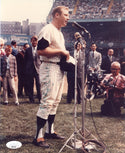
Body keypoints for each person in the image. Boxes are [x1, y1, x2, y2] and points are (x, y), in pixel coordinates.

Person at [33, 6, 70, 148]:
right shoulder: (48, 29)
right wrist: (61, 50)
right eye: (65, 15)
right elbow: (41, 50)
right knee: (47, 101)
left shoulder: (58, 32)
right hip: (49, 67)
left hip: (58, 68)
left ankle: (49, 131)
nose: (67, 18)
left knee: (55, 101)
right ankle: (38, 137)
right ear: (56, 15)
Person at [24, 36, 41, 103]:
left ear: (37, 42)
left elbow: (42, 59)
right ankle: (31, 99)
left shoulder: (40, 49)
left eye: (35, 41)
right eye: (33, 41)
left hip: (38, 69)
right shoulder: (28, 50)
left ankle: (40, 98)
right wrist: (26, 68)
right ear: (31, 41)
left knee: (38, 84)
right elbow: (25, 60)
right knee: (30, 84)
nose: (34, 42)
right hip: (30, 69)